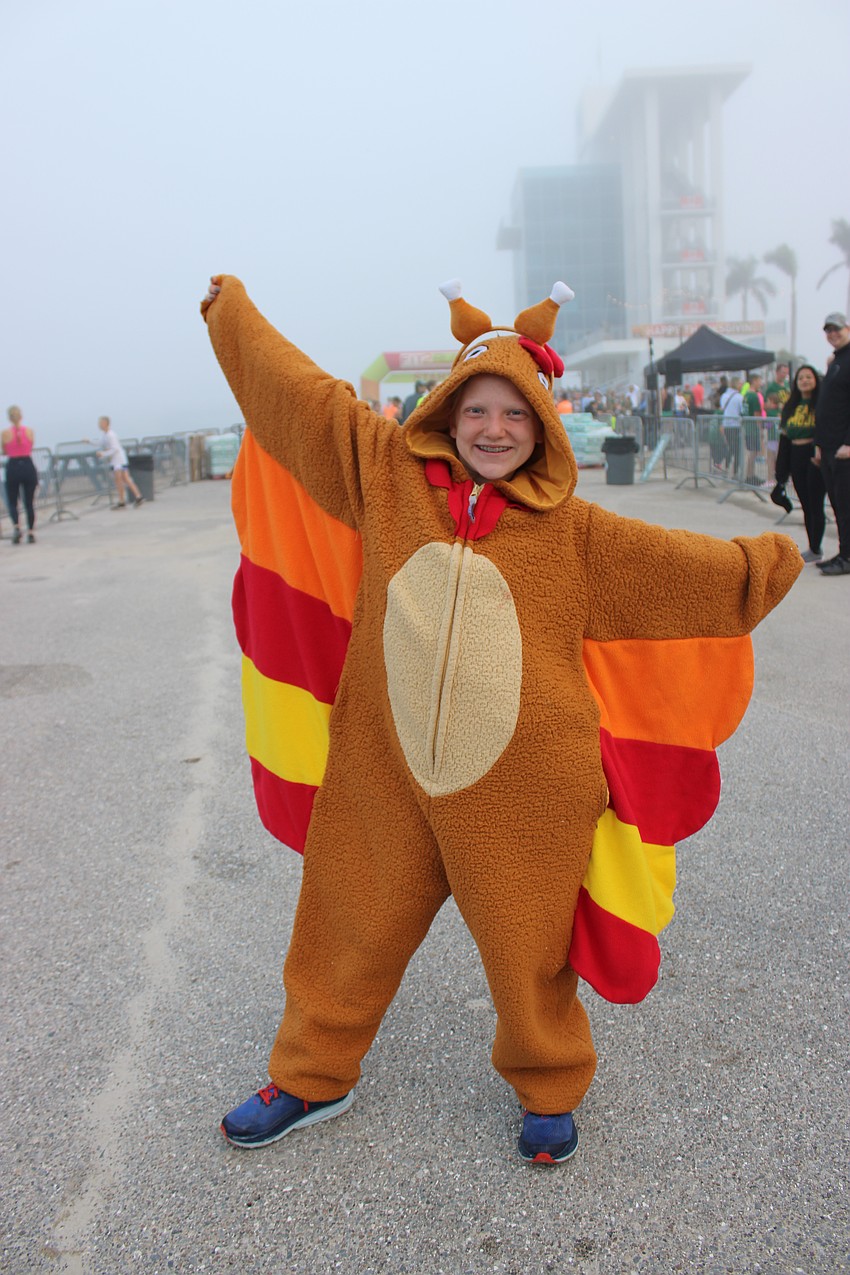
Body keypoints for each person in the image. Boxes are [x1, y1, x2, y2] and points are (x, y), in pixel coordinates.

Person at [201, 273, 801, 1166]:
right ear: (448, 410)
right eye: (477, 409)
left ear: (543, 425)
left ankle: (548, 1085)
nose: (493, 429)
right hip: (383, 770)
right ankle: (309, 1073)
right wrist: (234, 318)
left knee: (531, 954)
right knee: (342, 918)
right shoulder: (383, 474)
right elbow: (301, 399)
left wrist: (769, 560)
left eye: (514, 415)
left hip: (528, 791)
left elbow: (687, 571)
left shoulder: (579, 535)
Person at [776, 366, 826, 562]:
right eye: (800, 378)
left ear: (815, 379)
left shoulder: (821, 403)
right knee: (805, 503)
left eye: (808, 377)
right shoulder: (792, 405)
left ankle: (816, 548)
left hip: (814, 456)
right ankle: (812, 547)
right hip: (795, 455)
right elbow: (785, 437)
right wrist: (781, 469)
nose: (804, 380)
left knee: (815, 504)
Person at [814, 312, 850, 575]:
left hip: (843, 448)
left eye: (836, 329)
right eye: (828, 331)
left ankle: (848, 557)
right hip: (828, 447)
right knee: (837, 504)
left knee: (846, 505)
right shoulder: (836, 361)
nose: (832, 334)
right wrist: (819, 444)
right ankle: (844, 551)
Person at [2, 406, 39, 544]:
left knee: (13, 501)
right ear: (21, 416)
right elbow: (30, 446)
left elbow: (4, 450)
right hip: (27, 465)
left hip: (13, 466)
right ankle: (30, 532)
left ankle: (17, 527)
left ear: (9, 418)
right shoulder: (29, 431)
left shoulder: (5, 433)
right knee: (29, 502)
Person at [94, 416, 144, 508]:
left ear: (105, 423)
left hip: (118, 461)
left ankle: (122, 501)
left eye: (100, 423)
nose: (99, 425)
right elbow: (100, 442)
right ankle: (137, 496)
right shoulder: (105, 435)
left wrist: (103, 454)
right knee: (125, 479)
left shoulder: (110, 435)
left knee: (119, 480)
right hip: (118, 460)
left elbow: (115, 449)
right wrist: (89, 441)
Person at [742, 372, 766, 485]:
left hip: (747, 427)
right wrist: (760, 428)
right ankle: (750, 476)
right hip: (753, 428)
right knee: (753, 453)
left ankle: (750, 475)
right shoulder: (754, 396)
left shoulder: (746, 395)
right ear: (754, 381)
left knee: (751, 452)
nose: (760, 383)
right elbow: (757, 414)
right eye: (759, 381)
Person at [720, 376, 744, 476]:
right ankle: (735, 472)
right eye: (740, 383)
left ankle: (724, 466)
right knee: (737, 449)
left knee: (731, 447)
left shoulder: (724, 396)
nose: (742, 385)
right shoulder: (739, 397)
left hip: (726, 425)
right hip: (736, 425)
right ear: (736, 384)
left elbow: (722, 408)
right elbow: (742, 411)